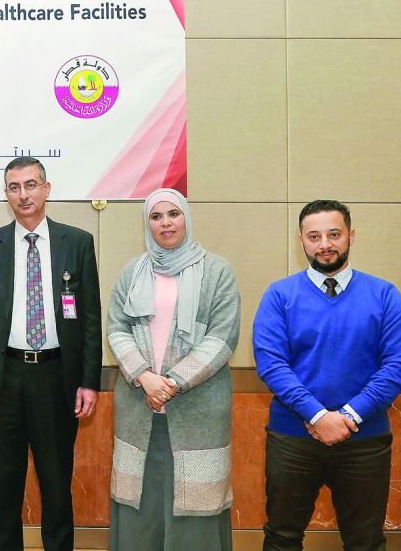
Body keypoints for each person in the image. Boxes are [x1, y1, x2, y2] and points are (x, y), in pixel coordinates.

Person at [253, 200, 401, 551]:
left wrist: (346, 417)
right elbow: (271, 363)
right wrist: (315, 414)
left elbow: (400, 364)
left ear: (351, 236)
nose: (324, 243)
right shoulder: (279, 296)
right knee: (281, 537)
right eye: (314, 236)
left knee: (366, 542)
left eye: (334, 234)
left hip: (364, 441)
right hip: (292, 439)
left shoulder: (384, 295)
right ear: (301, 241)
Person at [0, 156, 102, 551]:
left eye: (30, 185)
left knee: (57, 483)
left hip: (56, 378)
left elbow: (90, 317)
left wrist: (89, 382)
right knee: (3, 485)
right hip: (4, 378)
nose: (23, 194)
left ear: (46, 188)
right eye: (14, 187)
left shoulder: (76, 242)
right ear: (6, 194)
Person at [106, 189, 240, 550]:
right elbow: (117, 328)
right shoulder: (133, 271)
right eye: (156, 216)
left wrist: (173, 382)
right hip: (139, 406)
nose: (165, 222)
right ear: (147, 224)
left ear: (186, 218)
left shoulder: (217, 270)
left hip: (198, 408)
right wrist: (145, 377)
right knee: (140, 499)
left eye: (173, 214)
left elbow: (223, 336)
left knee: (195, 502)